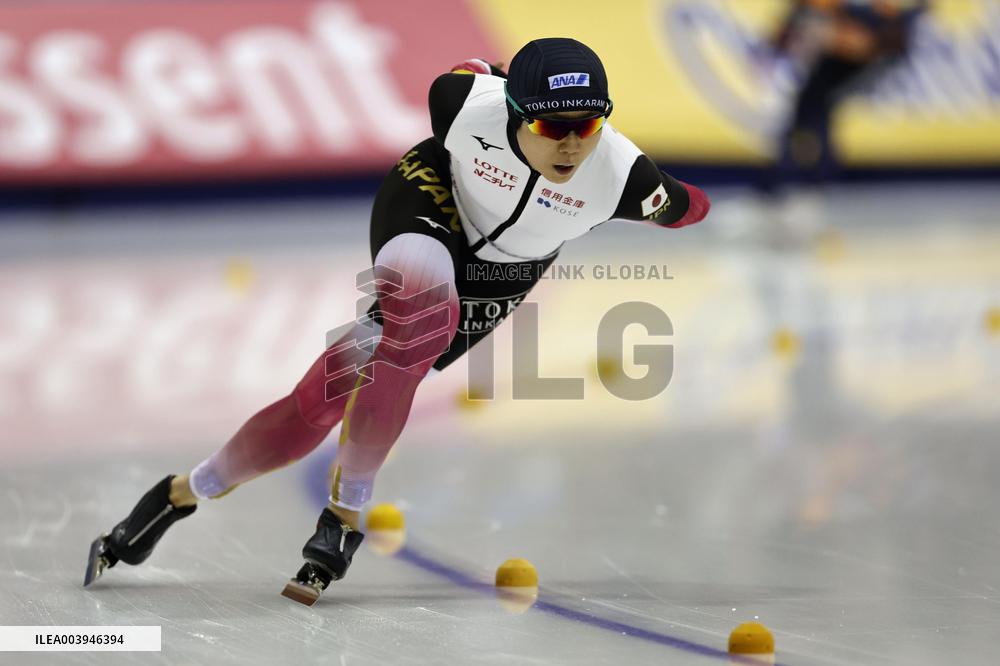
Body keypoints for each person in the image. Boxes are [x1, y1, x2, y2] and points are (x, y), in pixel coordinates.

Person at [83, 38, 711, 604]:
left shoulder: (624, 178)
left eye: (588, 124)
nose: (572, 143)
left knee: (320, 399)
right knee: (422, 323)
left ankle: (179, 494)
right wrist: (490, 74)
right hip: (430, 198)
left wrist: (689, 201)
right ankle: (345, 515)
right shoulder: (463, 103)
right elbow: (470, 73)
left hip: (505, 272)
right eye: (553, 124)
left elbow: (692, 208)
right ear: (516, 112)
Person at [766, 0, 927, 189]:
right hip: (847, 53)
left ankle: (810, 179)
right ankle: (805, 179)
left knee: (816, 108)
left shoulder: (874, 17)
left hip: (865, 53)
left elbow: (873, 39)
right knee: (811, 110)